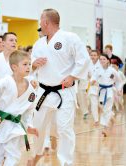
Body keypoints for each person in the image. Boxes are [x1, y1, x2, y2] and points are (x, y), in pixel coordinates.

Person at [31, 9, 90, 166]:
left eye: (40, 21)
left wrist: (73, 76)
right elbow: (30, 66)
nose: (39, 24)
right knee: (37, 126)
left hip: (64, 92)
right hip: (43, 91)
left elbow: (83, 60)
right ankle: (36, 155)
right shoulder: (39, 43)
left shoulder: (70, 38)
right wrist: (33, 64)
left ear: (46, 22)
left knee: (64, 129)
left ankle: (66, 162)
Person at [0, 50, 38, 166]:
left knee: (13, 157)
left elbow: (29, 109)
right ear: (14, 67)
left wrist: (29, 125)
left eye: (29, 64)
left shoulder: (31, 89)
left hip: (15, 127)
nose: (28, 67)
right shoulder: (4, 82)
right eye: (25, 64)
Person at [91, 54, 119, 136]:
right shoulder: (98, 70)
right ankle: (112, 117)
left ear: (107, 60)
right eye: (100, 59)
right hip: (101, 91)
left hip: (110, 91)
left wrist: (118, 89)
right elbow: (93, 77)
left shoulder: (112, 71)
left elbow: (118, 80)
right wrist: (92, 81)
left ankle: (105, 128)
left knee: (107, 109)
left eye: (104, 59)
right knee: (103, 109)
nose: (102, 60)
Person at [88, 50, 101, 126]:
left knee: (102, 105)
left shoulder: (101, 63)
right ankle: (96, 120)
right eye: (91, 55)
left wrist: (95, 79)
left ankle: (109, 116)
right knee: (94, 104)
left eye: (94, 55)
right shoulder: (88, 64)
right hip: (92, 87)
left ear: (98, 56)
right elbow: (85, 74)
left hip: (101, 87)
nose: (92, 56)